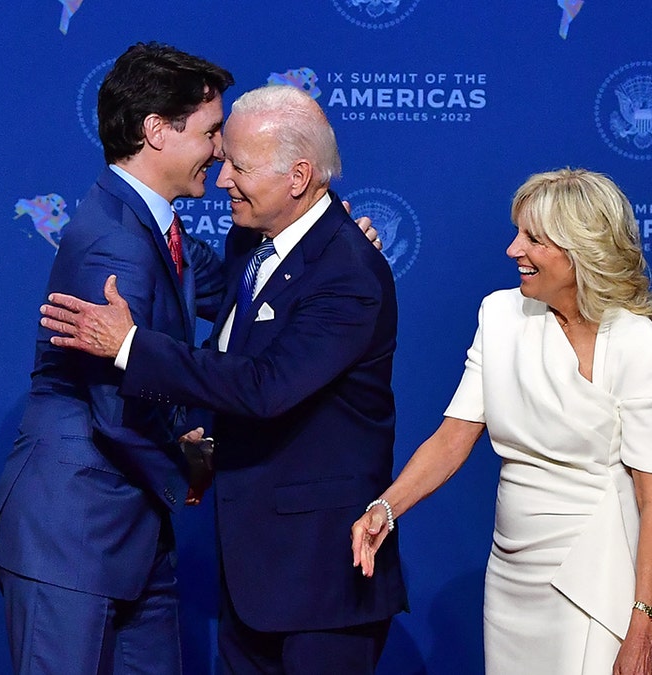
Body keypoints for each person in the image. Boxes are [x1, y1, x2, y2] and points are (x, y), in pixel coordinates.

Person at [39, 84, 407, 673]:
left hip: (323, 578)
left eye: (240, 165)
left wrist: (129, 345)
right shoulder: (253, 243)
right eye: (223, 157)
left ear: (299, 176)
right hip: (250, 573)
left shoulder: (349, 273)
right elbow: (200, 298)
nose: (223, 177)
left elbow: (262, 386)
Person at [350, 168, 652, 675]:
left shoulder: (637, 344)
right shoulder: (500, 316)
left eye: (532, 238)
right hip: (511, 574)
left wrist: (643, 627)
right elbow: (454, 436)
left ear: (579, 251)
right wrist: (386, 509)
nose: (512, 250)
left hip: (597, 569)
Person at [0, 42, 233, 674]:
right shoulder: (116, 242)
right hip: (73, 536)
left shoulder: (153, 227)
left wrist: (322, 233)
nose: (221, 151)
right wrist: (191, 472)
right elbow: (116, 411)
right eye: (211, 132)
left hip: (129, 535)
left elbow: (234, 287)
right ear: (157, 131)